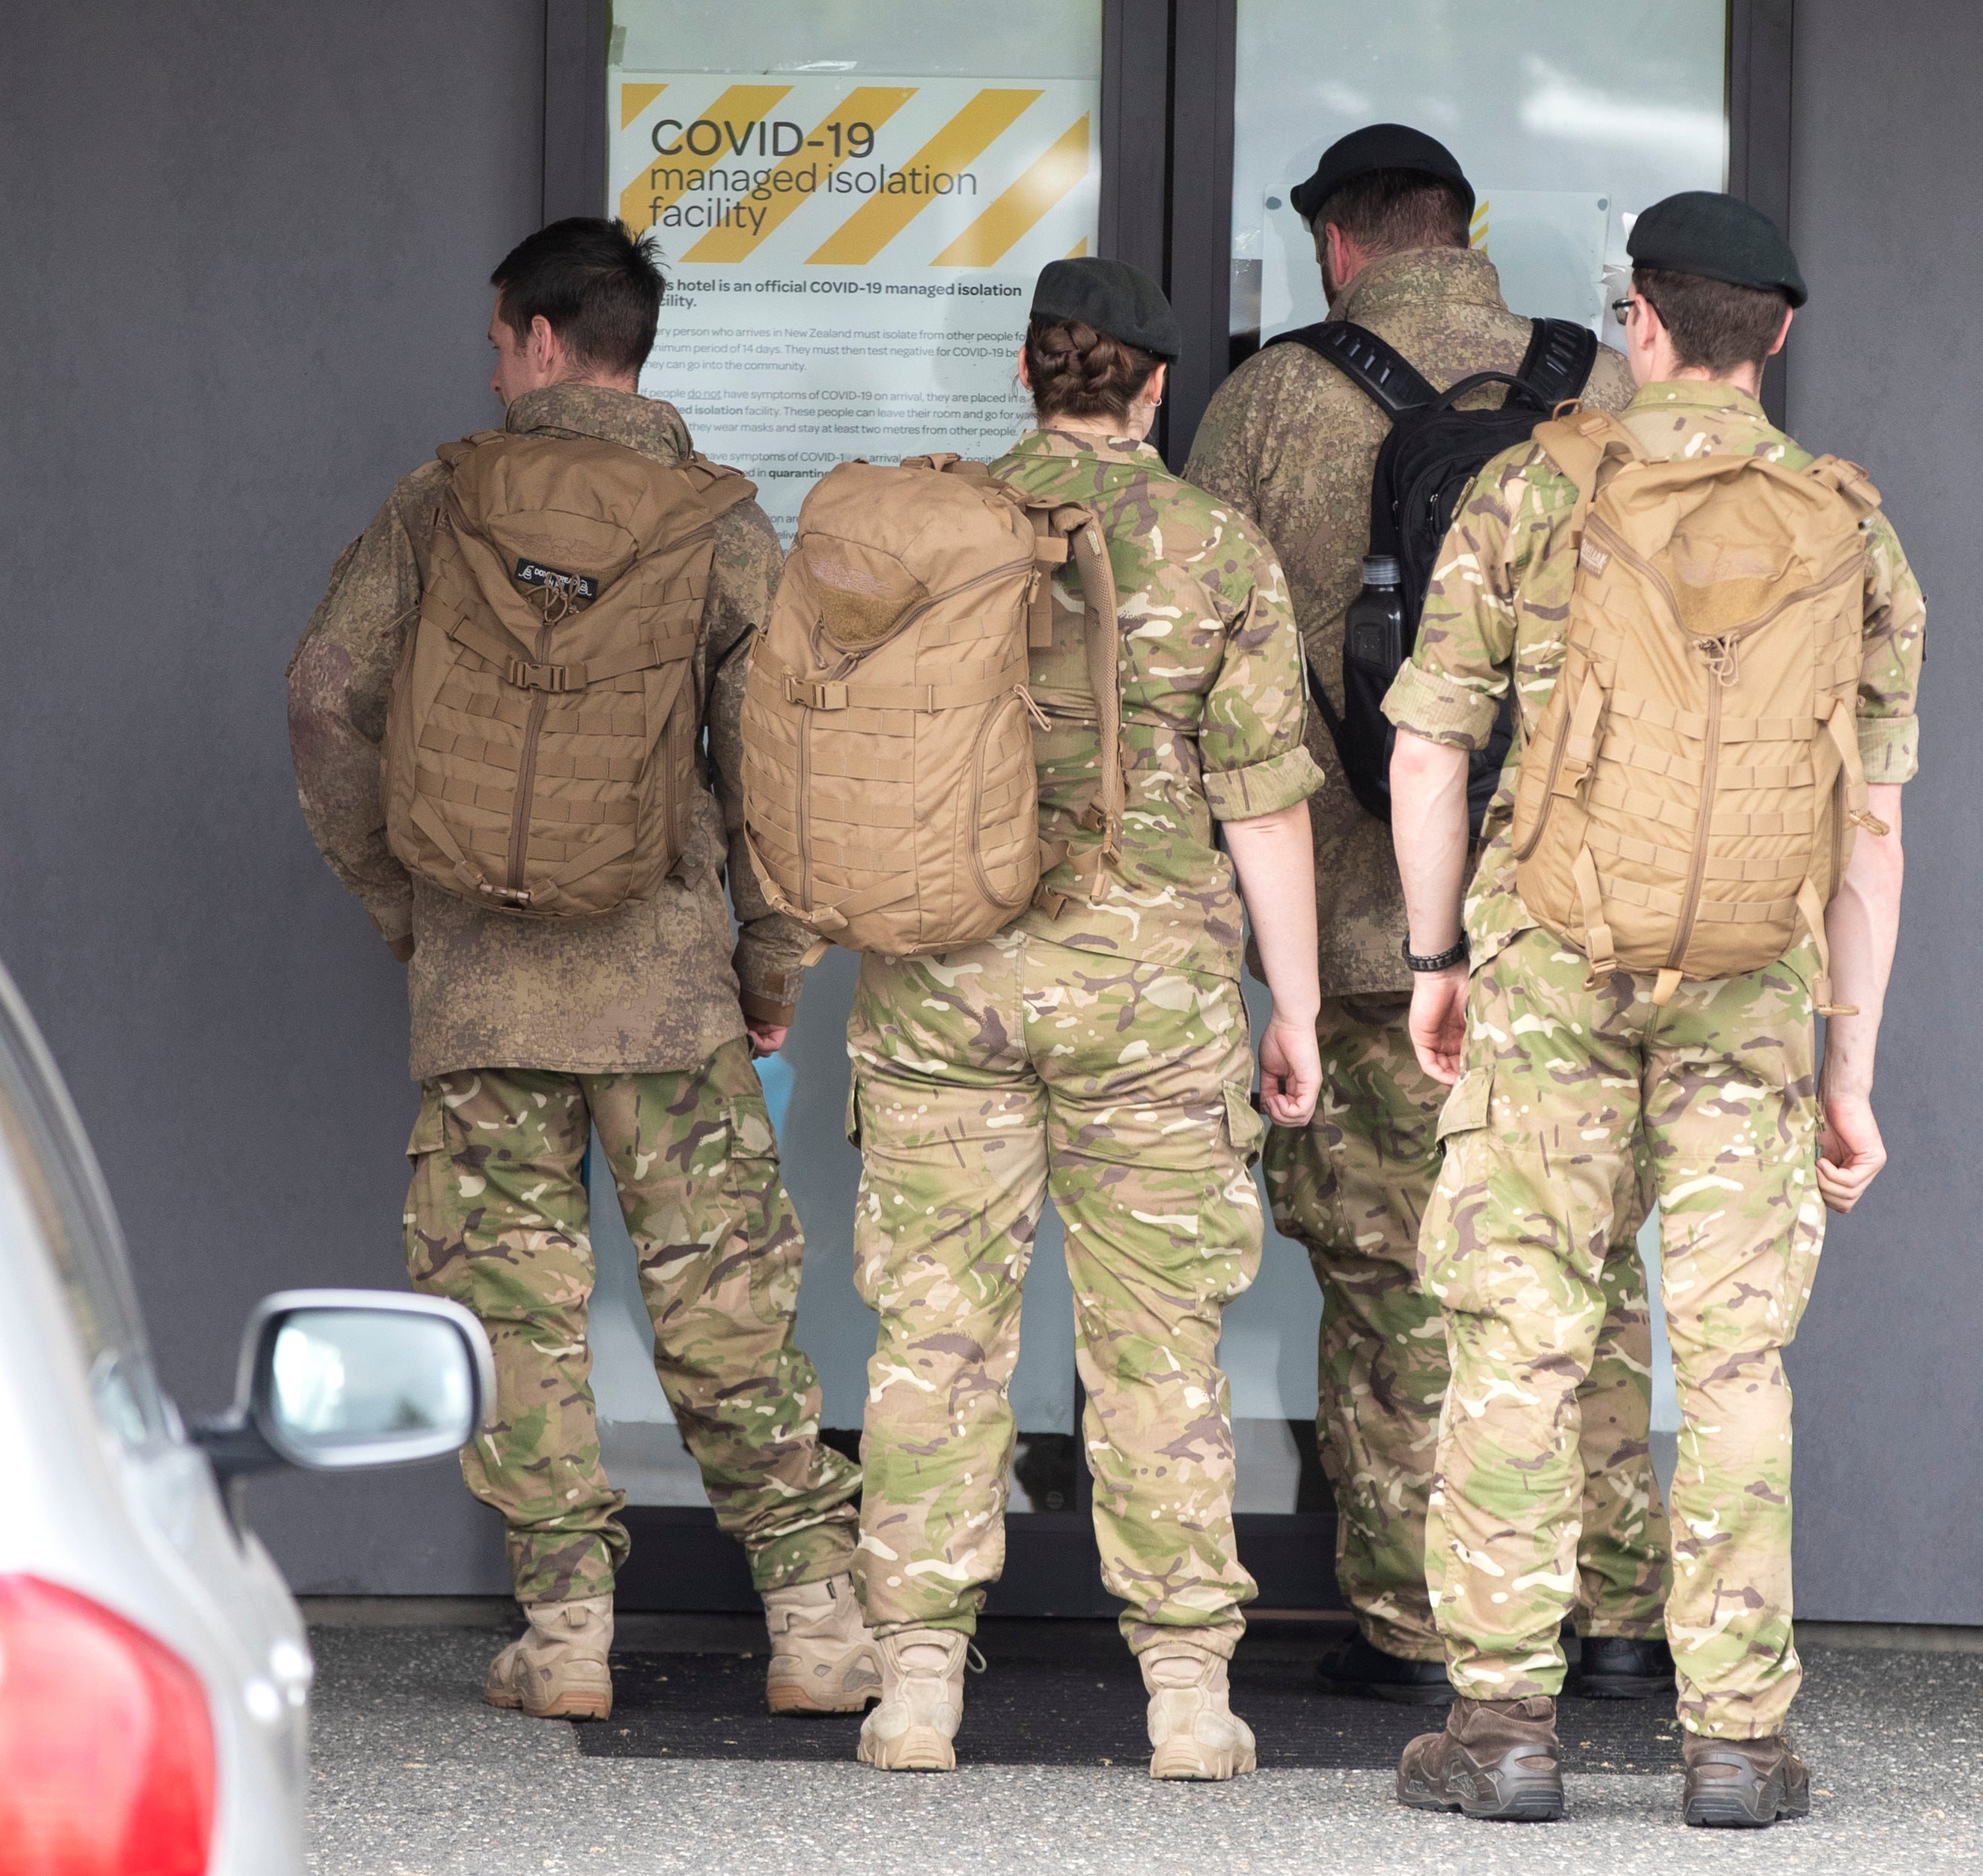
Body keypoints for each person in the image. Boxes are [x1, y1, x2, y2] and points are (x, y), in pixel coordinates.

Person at [1382, 192, 1924, 1825]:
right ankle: (1736, 1745)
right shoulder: (1848, 530)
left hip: (1545, 970)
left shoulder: (1530, 490)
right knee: (1736, 1355)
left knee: (1519, 1334)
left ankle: (1499, 1731)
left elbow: (1424, 750)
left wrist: (1432, 963)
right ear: (1778, 335)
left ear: (1638, 321)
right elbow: (1871, 830)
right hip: (1753, 988)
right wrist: (1853, 1072)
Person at [287, 217, 871, 1722]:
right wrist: (771, 961)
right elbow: (781, 768)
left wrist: (402, 904)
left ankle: (566, 1637)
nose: (490, 366)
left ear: (541, 340)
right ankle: (813, 1622)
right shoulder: (720, 522)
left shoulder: (439, 501)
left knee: (513, 1313)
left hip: (481, 984)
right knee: (723, 1301)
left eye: (495, 339)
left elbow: (324, 696)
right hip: (668, 987)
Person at [1186, 123, 1672, 1705]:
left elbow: (1203, 668)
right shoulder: (1598, 388)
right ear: (1467, 230)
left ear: (1337, 245)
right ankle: (1613, 1619)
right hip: (1573, 925)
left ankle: (1415, 1631)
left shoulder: (1268, 401)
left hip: (1356, 931)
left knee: (1395, 1279)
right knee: (1578, 1275)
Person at [845, 257, 1325, 1781]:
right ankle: (1186, 1694)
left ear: (1026, 377)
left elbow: (836, 765)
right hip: (1152, 1009)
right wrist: (1293, 1004)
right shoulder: (1215, 548)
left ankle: (915, 1684)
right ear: (1158, 386)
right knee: (1159, 1345)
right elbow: (1264, 809)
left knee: (933, 1335)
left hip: (942, 989)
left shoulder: (932, 530)